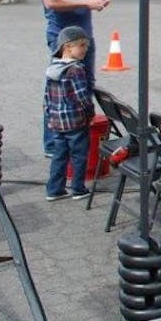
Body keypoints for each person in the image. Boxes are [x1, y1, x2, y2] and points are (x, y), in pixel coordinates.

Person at [39, 0, 109, 157]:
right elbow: (51, 0)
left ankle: (78, 141)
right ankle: (54, 147)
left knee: (85, 86)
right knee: (60, 90)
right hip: (65, 40)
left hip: (83, 37)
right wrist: (87, 3)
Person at [44, 26, 96, 201]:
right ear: (67, 47)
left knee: (59, 155)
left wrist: (49, 117)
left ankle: (54, 190)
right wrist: (90, 112)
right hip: (75, 122)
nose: (85, 50)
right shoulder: (76, 70)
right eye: (82, 46)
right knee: (79, 155)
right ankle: (78, 188)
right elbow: (82, 96)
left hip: (57, 122)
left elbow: (47, 97)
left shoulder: (53, 68)